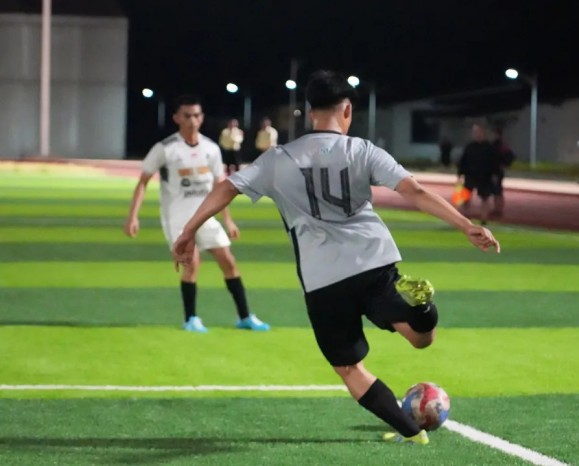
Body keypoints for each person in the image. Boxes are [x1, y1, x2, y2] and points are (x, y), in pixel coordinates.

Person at [172, 71, 499, 445]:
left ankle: (411, 432)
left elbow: (227, 188)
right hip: (374, 262)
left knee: (348, 367)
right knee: (421, 339)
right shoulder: (362, 150)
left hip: (323, 278)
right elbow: (415, 191)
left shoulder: (279, 158)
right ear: (347, 110)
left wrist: (188, 231)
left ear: (311, 112)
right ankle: (422, 308)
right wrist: (465, 225)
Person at [124, 95, 270, 333]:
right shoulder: (165, 149)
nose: (192, 120)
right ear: (176, 118)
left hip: (206, 217)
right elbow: (142, 182)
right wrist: (133, 216)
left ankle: (245, 317)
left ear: (202, 118)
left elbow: (220, 188)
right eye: (187, 116)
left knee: (228, 262)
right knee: (192, 264)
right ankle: (191, 318)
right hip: (178, 219)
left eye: (196, 115)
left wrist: (228, 221)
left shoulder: (211, 148)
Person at [457, 124, 499, 224]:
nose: (477, 134)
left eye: (479, 132)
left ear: (483, 133)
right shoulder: (469, 147)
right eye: (475, 132)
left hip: (485, 177)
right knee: (465, 198)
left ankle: (484, 220)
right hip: (470, 175)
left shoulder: (489, 147)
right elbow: (463, 161)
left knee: (485, 198)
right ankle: (464, 218)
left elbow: (494, 162)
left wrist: (495, 174)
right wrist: (460, 174)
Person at [491, 128, 516, 217]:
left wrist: (504, 164)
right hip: (496, 170)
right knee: (496, 190)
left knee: (497, 190)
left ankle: (498, 209)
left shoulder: (499, 145)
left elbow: (510, 156)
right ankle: (497, 208)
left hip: (497, 171)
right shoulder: (498, 145)